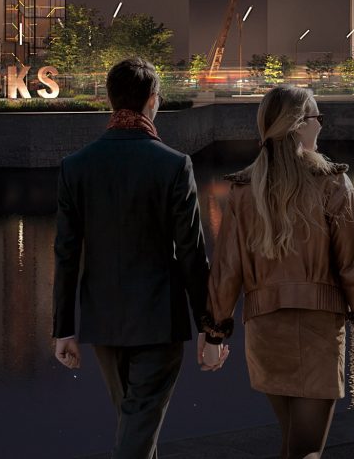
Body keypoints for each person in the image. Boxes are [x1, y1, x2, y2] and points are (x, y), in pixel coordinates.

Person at [201, 84, 354, 459]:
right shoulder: (334, 184)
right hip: (318, 332)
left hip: (265, 331)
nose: (321, 126)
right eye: (317, 117)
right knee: (306, 451)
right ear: (299, 126)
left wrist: (215, 331)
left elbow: (226, 270)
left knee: (294, 446)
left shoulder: (244, 190)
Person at [53, 57, 214, 459]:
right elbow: (192, 252)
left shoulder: (76, 167)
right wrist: (211, 328)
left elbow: (67, 254)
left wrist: (63, 329)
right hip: (159, 320)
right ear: (153, 102)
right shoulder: (174, 165)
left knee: (135, 424)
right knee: (139, 426)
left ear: (110, 101)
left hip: (103, 322)